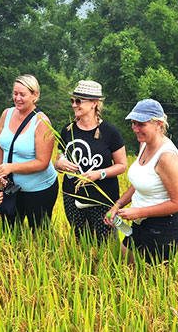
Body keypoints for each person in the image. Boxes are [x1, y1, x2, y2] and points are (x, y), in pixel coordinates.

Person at [104, 99, 178, 264]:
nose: (135, 129)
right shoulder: (144, 145)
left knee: (150, 281)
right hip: (139, 223)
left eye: (141, 124)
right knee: (125, 262)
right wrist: (117, 205)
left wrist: (139, 212)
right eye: (133, 123)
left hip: (163, 226)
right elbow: (138, 183)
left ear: (158, 124)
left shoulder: (166, 157)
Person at [55, 80, 127, 242]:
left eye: (79, 101)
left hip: (102, 197)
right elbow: (58, 157)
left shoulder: (110, 132)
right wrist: (59, 164)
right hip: (72, 195)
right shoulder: (67, 130)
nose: (74, 105)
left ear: (94, 103)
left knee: (106, 242)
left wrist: (99, 174)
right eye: (72, 101)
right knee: (80, 239)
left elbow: (122, 165)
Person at [0, 74, 59, 232]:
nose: (18, 98)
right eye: (15, 94)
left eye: (23, 94)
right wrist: (1, 171)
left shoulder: (42, 122)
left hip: (39, 190)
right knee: (9, 231)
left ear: (35, 95)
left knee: (38, 233)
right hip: (11, 188)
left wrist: (11, 168)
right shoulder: (6, 114)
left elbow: (42, 163)